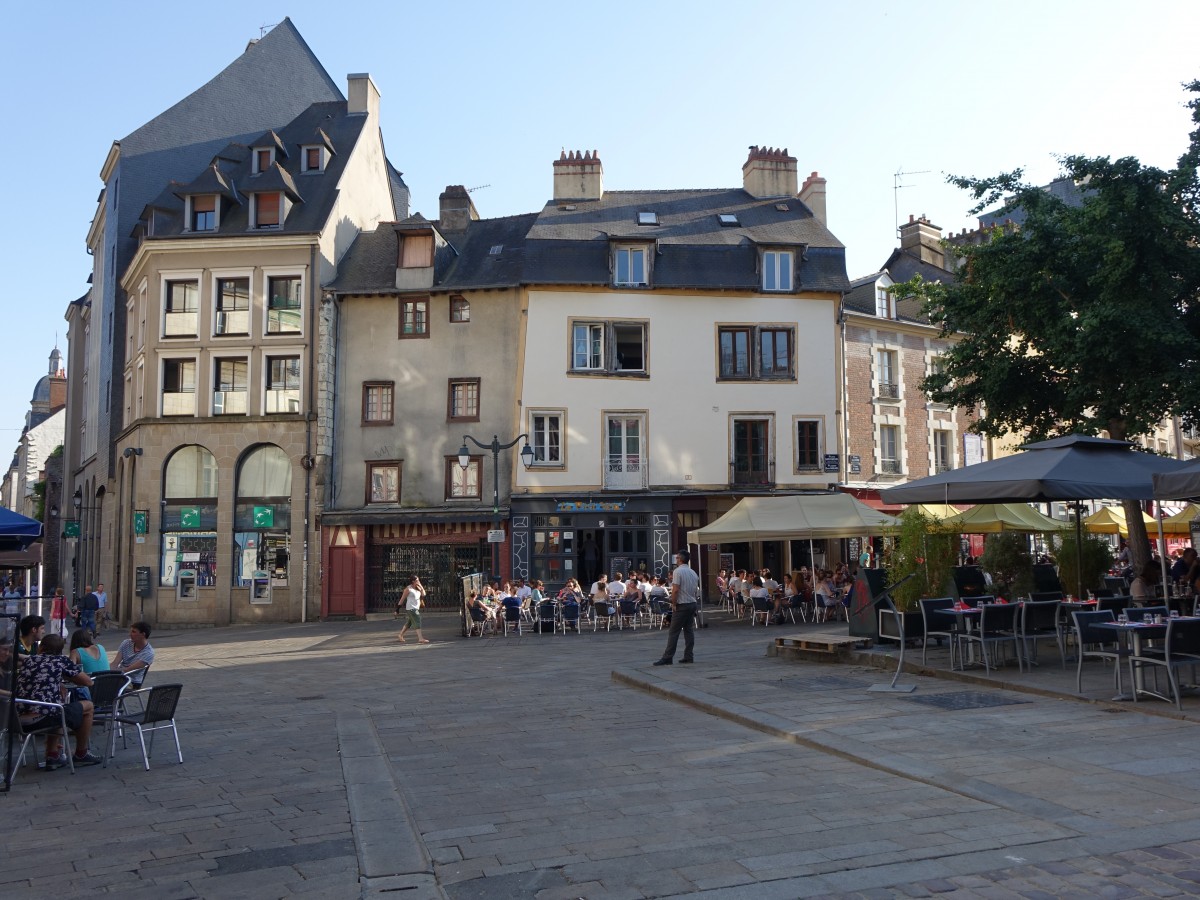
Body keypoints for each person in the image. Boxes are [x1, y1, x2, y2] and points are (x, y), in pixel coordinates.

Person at [16, 633, 102, 767]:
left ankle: (53, 755)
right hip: (42, 718)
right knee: (87, 707)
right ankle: (81, 753)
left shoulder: (29, 661)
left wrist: (58, 683)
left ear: (41, 648)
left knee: (56, 706)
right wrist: (67, 677)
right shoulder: (60, 661)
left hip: (18, 719)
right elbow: (88, 682)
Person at [653, 549, 700, 666]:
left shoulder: (677, 572)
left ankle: (668, 657)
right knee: (689, 630)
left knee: (674, 632)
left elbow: (675, 590)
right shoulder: (693, 572)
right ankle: (689, 656)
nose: (676, 559)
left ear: (681, 559)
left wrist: (673, 603)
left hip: (682, 604)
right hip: (692, 603)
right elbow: (696, 590)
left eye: (677, 558)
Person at [396, 576, 430, 644]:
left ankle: (400, 635)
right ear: (413, 581)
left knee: (409, 622)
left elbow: (424, 594)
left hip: (416, 608)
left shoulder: (418, 588)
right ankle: (420, 638)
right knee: (418, 620)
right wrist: (397, 609)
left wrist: (421, 586)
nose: (418, 581)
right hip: (411, 608)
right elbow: (402, 599)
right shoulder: (408, 589)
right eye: (417, 580)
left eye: (418, 580)